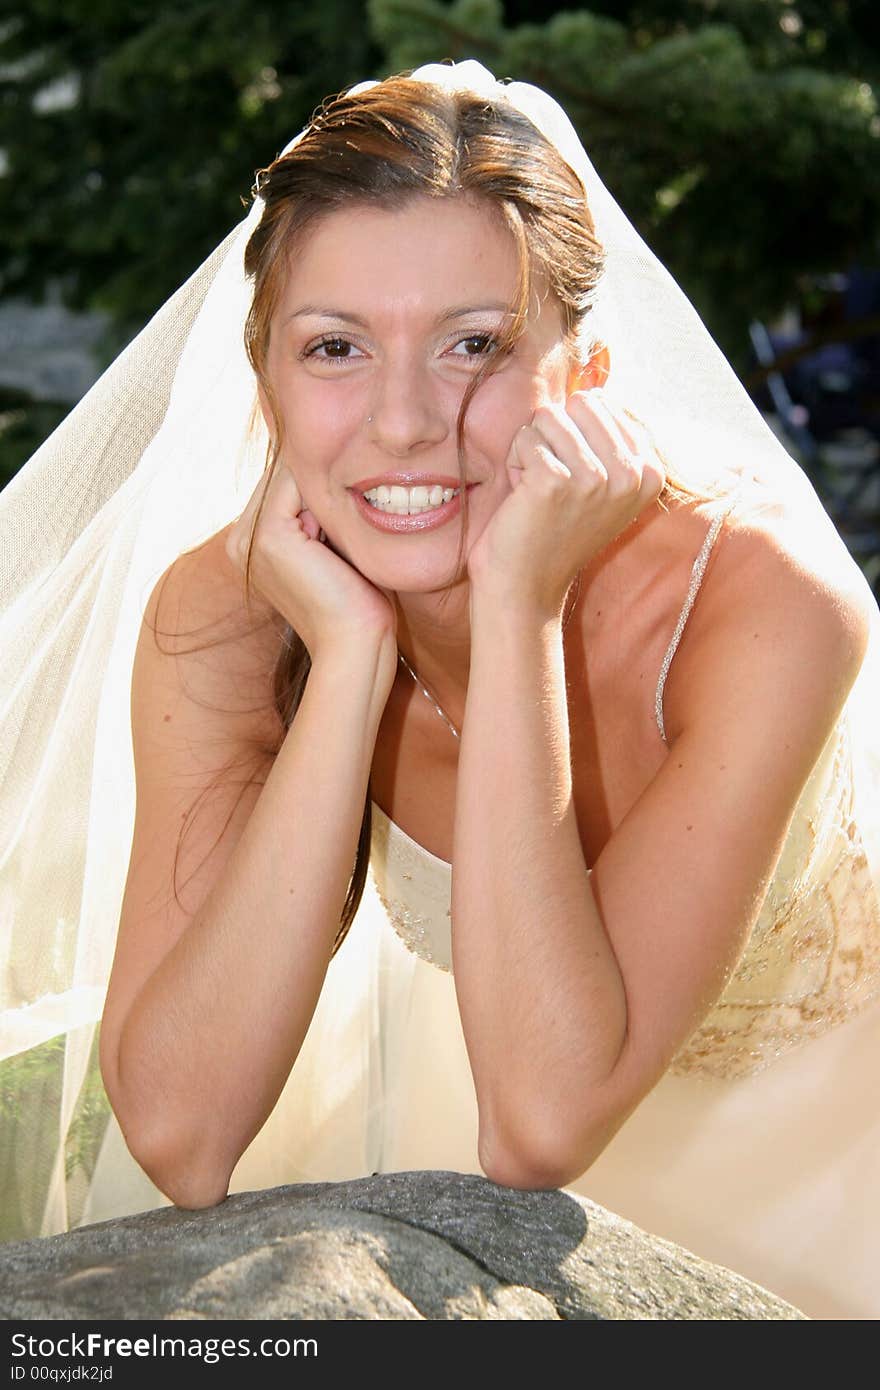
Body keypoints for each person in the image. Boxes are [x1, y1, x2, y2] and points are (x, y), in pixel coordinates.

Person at [1, 61, 879, 1321]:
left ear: (585, 378)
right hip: (486, 1216)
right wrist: (351, 658)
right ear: (267, 386)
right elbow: (180, 1132)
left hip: (831, 1208)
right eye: (336, 349)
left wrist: (516, 606)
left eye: (475, 345)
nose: (406, 421)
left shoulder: (764, 606)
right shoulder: (233, 614)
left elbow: (540, 1123)